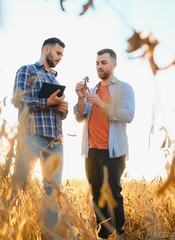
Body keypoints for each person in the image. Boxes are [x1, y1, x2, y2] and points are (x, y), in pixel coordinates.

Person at [73, 48, 135, 238]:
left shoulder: (124, 88)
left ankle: (118, 232)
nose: (99, 66)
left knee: (114, 194)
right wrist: (81, 97)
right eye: (97, 63)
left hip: (113, 151)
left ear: (114, 65)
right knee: (97, 194)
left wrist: (101, 103)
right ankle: (103, 233)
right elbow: (79, 115)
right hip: (91, 151)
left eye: (104, 63)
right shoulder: (92, 90)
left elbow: (128, 115)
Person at [11, 37, 68, 234]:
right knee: (20, 185)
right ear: (46, 51)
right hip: (31, 136)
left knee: (53, 192)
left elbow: (58, 113)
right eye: (58, 53)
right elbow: (18, 100)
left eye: (62, 54)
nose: (60, 57)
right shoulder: (27, 70)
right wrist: (47, 102)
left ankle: (49, 235)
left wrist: (63, 109)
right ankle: (11, 231)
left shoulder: (56, 80)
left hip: (55, 141)